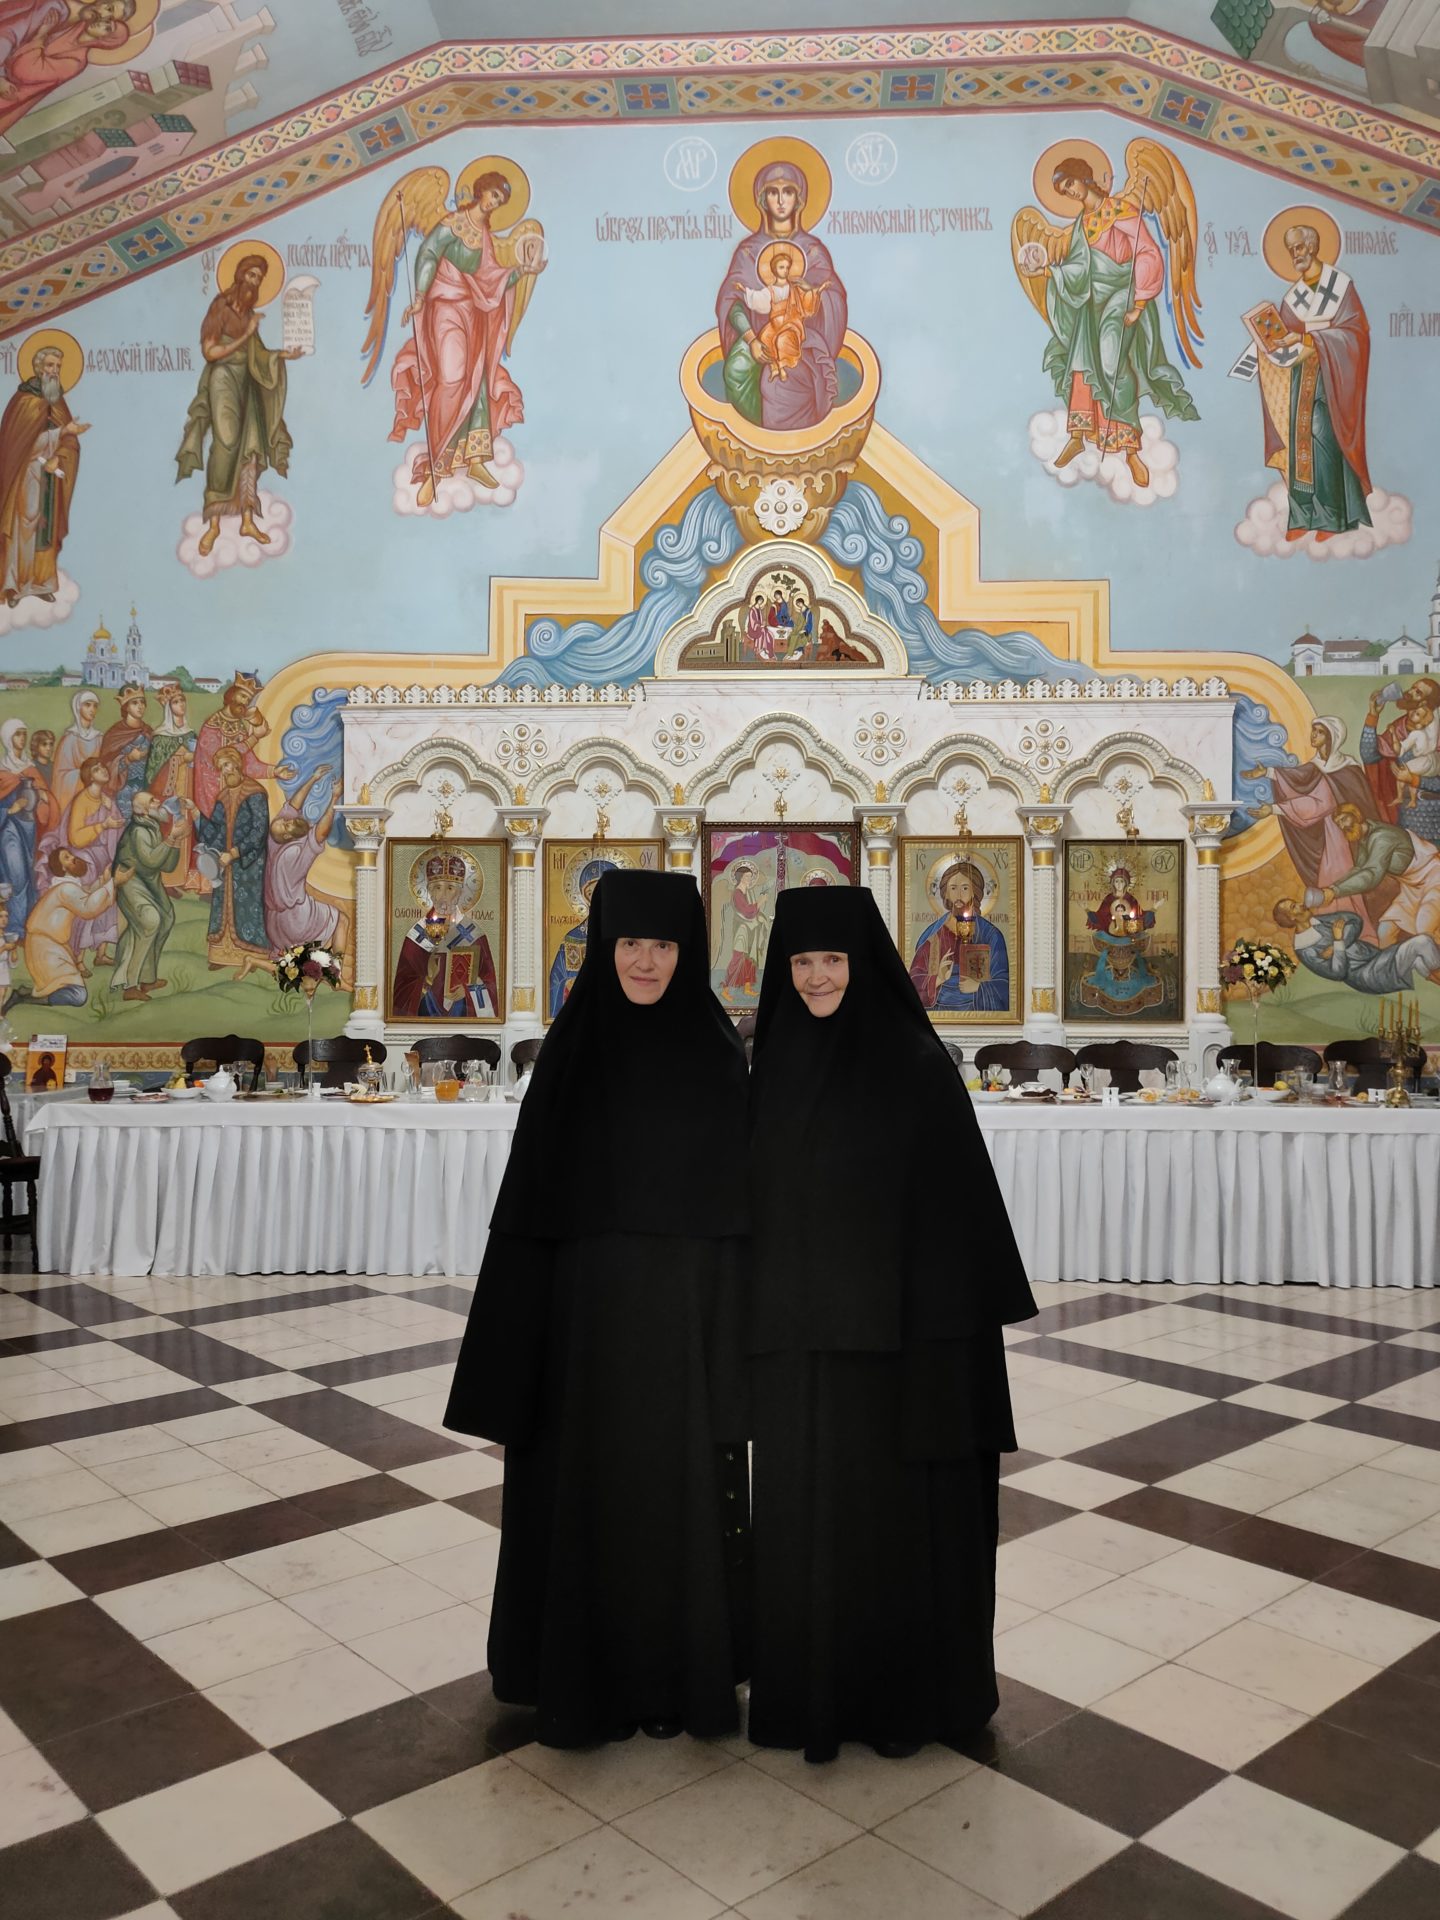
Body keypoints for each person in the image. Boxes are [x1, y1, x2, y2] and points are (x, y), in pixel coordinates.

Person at [445, 870, 751, 1747]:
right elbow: (526, 1222)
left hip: (682, 1331)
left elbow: (742, 1222)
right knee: (583, 1499)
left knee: (676, 1499)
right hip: (581, 1335)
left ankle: (676, 1679)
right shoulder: (570, 1056)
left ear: (688, 952)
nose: (646, 962)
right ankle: (580, 1679)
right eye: (630, 945)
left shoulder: (717, 1058)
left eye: (664, 946)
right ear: (602, 949)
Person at [746, 886, 1035, 1762]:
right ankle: (808, 1698)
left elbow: (955, 1226)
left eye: (832, 960)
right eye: (801, 962)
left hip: (901, 1355)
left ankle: (902, 1701)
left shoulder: (915, 1065)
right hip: (802, 1353)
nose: (816, 977)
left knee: (893, 1532)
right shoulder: (770, 1063)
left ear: (865, 963)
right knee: (807, 1526)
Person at [1044, 155, 1199, 487]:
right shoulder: (1081, 225)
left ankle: (1131, 451)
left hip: (1124, 293)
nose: (1070, 192)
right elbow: (1079, 268)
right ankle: (1078, 435)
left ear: (1083, 177)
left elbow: (1148, 252)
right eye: (1064, 190)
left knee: (1111, 360)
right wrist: (1053, 272)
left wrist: (1139, 303)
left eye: (1070, 183)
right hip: (1092, 299)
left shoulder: (1119, 210)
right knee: (1081, 361)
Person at [176, 254, 300, 556]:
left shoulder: (250, 316)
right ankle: (214, 524)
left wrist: (282, 355)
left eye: (259, 278)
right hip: (222, 379)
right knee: (227, 442)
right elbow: (210, 352)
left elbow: (258, 355)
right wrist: (245, 334)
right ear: (240, 275)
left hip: (247, 382)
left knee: (251, 447)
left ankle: (247, 519)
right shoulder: (221, 307)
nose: (254, 282)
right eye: (251, 275)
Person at [717, 159, 846, 432]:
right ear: (762, 200)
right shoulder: (748, 251)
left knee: (785, 382)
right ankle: (756, 432)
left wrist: (811, 293)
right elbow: (732, 301)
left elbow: (832, 296)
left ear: (799, 200)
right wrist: (751, 339)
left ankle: (793, 440)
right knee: (736, 370)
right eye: (772, 192)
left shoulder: (812, 250)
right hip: (759, 335)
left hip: (801, 335)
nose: (780, 200)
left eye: (787, 191)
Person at [1266, 222, 1371, 542]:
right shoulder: (1293, 297)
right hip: (1301, 379)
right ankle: (1302, 515)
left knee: (1323, 437)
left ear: (1312, 247)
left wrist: (1310, 339)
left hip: (1332, 377)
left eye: (1299, 247)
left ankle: (1331, 517)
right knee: (1299, 442)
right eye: (1290, 250)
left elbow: (1356, 334)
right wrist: (1268, 345)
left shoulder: (1340, 286)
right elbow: (1284, 335)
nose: (1295, 255)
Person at [0, 340, 88, 604]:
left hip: (50, 478)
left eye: (58, 366)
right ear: (38, 368)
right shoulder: (23, 400)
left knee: (45, 531)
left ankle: (41, 584)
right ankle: (14, 585)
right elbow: (17, 444)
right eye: (50, 365)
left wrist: (59, 456)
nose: (54, 371)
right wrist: (62, 432)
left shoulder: (57, 399)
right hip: (24, 475)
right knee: (23, 529)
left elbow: (70, 442)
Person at [7, 846, 128, 1011]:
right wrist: (113, 883)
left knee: (72, 991)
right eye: (67, 858)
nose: (73, 858)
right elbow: (88, 907)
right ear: (62, 868)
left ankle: (26, 993)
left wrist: (106, 882)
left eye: (70, 855)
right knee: (77, 995)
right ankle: (24, 997)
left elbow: (85, 897)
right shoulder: (65, 889)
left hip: (50, 945)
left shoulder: (67, 887)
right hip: (44, 947)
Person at [391, 849, 498, 1018]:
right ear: (429, 891)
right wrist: (427, 980)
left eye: (450, 888)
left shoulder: (474, 935)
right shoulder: (417, 935)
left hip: (464, 1020)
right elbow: (401, 992)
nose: (443, 896)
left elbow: (490, 985)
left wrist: (468, 991)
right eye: (437, 887)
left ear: (460, 892)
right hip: (425, 1018)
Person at [194, 744, 269, 978]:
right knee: (223, 903)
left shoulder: (255, 792)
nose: (225, 771)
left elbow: (259, 830)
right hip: (225, 862)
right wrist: (196, 815)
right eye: (221, 768)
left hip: (248, 862)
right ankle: (221, 956)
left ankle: (251, 955)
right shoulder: (223, 796)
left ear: (237, 763)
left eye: (227, 765)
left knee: (247, 905)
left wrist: (235, 853)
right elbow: (215, 831)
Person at [264, 764, 349, 958]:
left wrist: (314, 777)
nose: (287, 820)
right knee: (342, 920)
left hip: (274, 924)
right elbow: (321, 832)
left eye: (284, 820)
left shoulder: (275, 842)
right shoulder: (293, 853)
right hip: (295, 919)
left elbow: (293, 806)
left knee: (298, 961)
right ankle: (336, 968)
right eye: (285, 825)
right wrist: (335, 797)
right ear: (287, 836)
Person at [909, 858, 1011, 1014]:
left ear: (974, 892)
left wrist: (979, 987)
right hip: (939, 1012)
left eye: (964, 888)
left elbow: (1004, 984)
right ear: (946, 893)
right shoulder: (933, 936)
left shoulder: (991, 935)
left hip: (978, 1012)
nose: (958, 895)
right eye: (953, 888)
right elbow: (913, 982)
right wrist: (938, 979)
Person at [1275, 898, 1440, 993]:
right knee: (1422, 942)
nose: (1301, 904)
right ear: (1291, 918)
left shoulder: (1318, 921)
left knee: (1419, 961)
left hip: (1377, 958)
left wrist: (1337, 946)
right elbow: (1337, 973)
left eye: (1296, 902)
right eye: (1294, 907)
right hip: (1368, 975)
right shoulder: (1305, 949)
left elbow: (1354, 920)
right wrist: (1338, 941)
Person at [112, 791, 180, 1001]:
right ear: (141, 810)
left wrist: (175, 842)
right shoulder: (138, 831)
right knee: (150, 920)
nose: (158, 801)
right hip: (131, 882)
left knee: (166, 918)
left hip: (149, 881)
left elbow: (167, 866)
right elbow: (151, 860)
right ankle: (130, 985)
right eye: (152, 801)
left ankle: (148, 978)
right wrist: (171, 838)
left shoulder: (152, 826)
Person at [733, 244, 832, 384]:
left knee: (783, 340)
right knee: (765, 338)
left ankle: (782, 367)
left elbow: (806, 300)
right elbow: (758, 299)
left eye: (787, 267)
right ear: (774, 269)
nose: (785, 270)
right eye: (781, 267)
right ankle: (774, 367)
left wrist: (817, 290)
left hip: (792, 322)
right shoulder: (770, 290)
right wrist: (744, 290)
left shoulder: (794, 288)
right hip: (774, 324)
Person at [0, 718, 56, 928]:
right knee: (17, 877)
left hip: (31, 830)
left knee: (32, 878)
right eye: (17, 734)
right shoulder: (2, 771)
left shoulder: (31, 769)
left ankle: (29, 926)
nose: (22, 738)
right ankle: (15, 926)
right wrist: (10, 809)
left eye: (24, 733)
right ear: (7, 738)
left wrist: (42, 796)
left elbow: (46, 800)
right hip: (9, 830)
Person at [546, 856, 613, 1018]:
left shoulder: (627, 939)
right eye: (592, 894)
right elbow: (556, 982)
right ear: (585, 898)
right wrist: (572, 984)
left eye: (605, 893)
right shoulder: (572, 938)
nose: (599, 900)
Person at [52, 690, 101, 813]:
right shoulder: (70, 739)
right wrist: (86, 774)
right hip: (74, 796)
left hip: (97, 793)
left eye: (95, 706)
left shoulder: (99, 738)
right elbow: (61, 776)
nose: (92, 709)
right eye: (87, 705)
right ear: (78, 707)